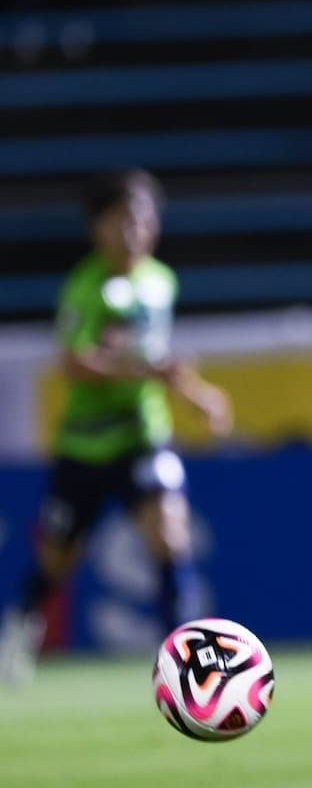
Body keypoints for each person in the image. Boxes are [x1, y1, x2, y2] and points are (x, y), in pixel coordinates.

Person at [0, 169, 232, 684]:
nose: (135, 231)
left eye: (144, 219)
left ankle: (186, 660)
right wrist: (142, 369)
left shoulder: (160, 281)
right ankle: (20, 624)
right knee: (57, 557)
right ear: (97, 227)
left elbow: (159, 360)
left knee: (169, 535)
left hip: (143, 434)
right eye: (122, 220)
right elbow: (74, 362)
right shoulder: (87, 287)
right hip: (85, 445)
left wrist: (199, 395)